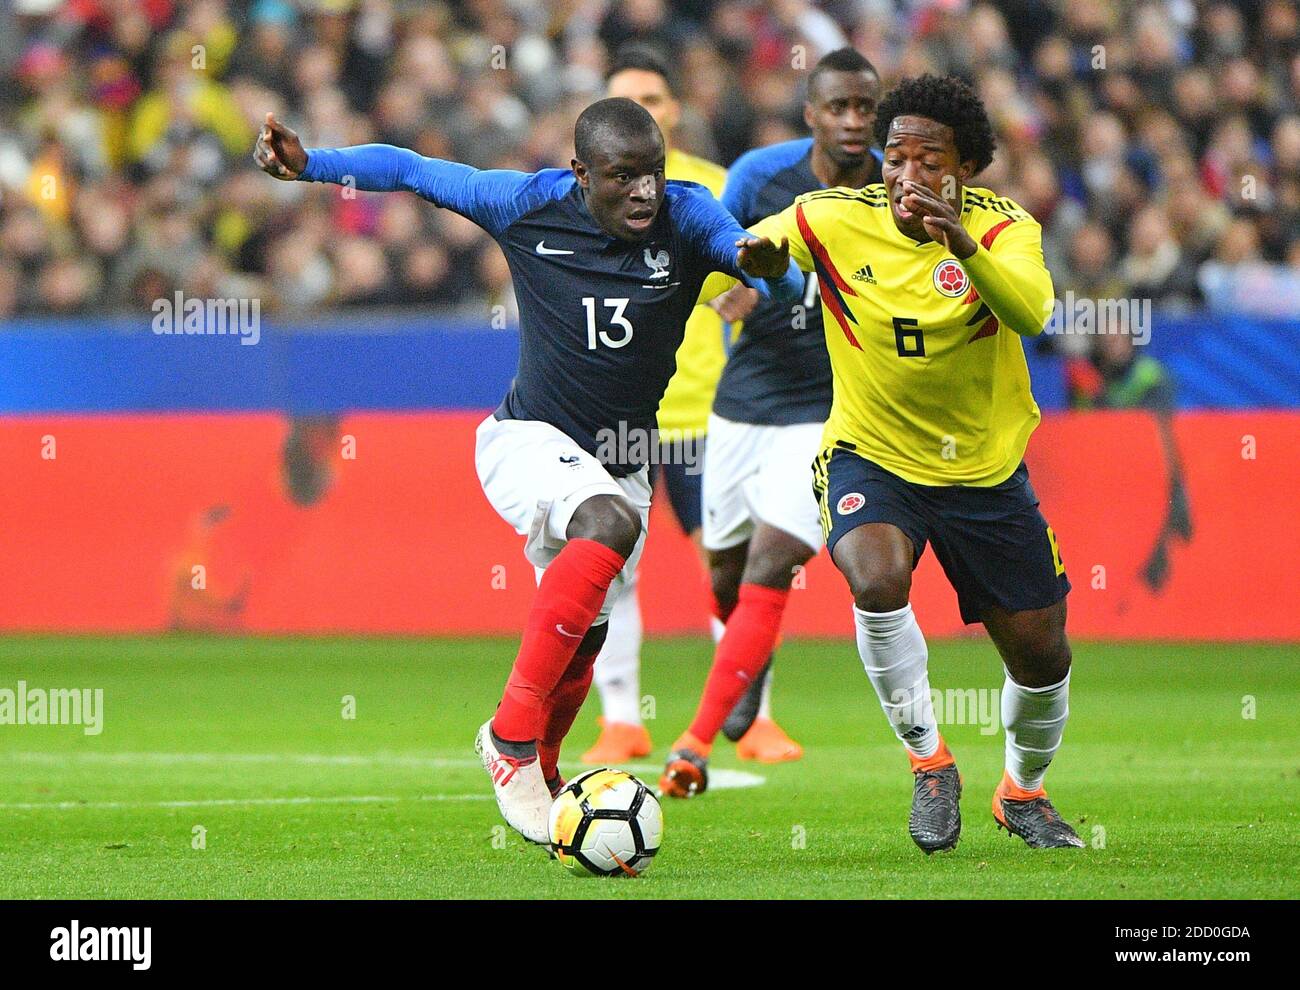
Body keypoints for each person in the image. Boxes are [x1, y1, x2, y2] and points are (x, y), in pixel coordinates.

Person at [253, 99, 801, 845]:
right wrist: (313, 163)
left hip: (624, 458)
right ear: (581, 175)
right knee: (609, 522)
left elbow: (743, 249)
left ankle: (540, 768)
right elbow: (414, 169)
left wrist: (757, 264)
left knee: (586, 639)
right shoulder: (527, 204)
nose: (644, 191)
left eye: (652, 173)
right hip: (526, 440)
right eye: (622, 176)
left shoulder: (686, 213)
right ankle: (510, 741)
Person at [675, 74, 1084, 851]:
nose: (905, 176)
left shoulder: (1005, 232)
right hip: (872, 455)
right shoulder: (832, 217)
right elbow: (744, 248)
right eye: (895, 158)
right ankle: (930, 763)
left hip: (984, 474)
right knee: (874, 576)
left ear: (964, 169)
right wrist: (750, 262)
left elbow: (1031, 312)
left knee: (1042, 653)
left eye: (928, 161)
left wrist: (958, 242)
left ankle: (1022, 793)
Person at [659, 48, 884, 793]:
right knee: (723, 569)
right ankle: (745, 662)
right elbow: (719, 246)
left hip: (832, 409)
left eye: (864, 108)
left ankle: (695, 740)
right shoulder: (760, 175)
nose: (853, 122)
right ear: (810, 112)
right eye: (839, 108)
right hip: (746, 397)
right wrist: (739, 282)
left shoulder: (892, 186)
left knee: (771, 560)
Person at [580, 45, 729, 765]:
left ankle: (743, 714)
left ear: (675, 112)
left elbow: (756, 284)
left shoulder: (715, 190)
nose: (645, 111)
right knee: (615, 563)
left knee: (726, 564)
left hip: (709, 413)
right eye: (626, 100)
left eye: (655, 99)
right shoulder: (589, 196)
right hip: (622, 415)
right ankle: (620, 718)